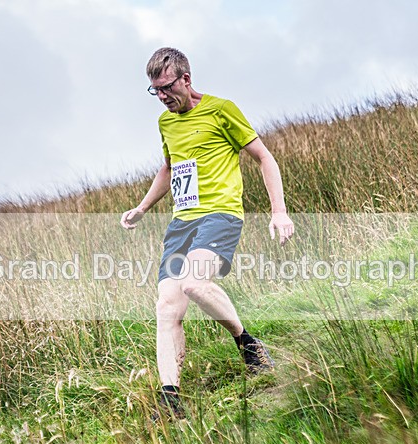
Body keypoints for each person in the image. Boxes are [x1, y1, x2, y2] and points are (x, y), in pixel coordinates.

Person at [120, 47, 294, 419]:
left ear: (186, 78)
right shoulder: (166, 124)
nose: (163, 97)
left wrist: (278, 211)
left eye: (167, 87)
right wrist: (142, 207)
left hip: (220, 215)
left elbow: (265, 157)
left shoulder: (222, 110)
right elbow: (168, 169)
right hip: (181, 223)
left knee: (195, 284)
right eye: (155, 91)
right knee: (167, 306)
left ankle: (248, 344)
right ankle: (170, 400)